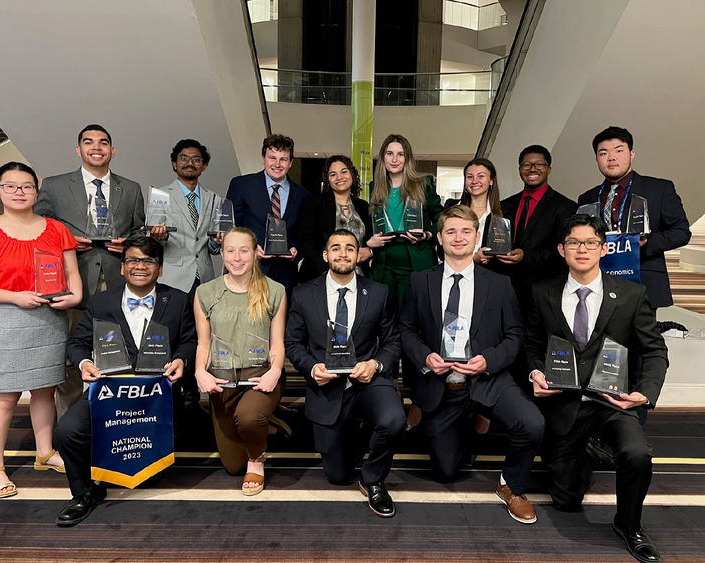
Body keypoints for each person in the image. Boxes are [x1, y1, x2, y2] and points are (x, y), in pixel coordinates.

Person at [525, 214, 667, 563]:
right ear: (562, 249)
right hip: (564, 402)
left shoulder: (632, 295)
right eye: (574, 242)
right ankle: (586, 452)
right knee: (566, 499)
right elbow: (531, 342)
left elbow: (654, 350)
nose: (582, 249)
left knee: (637, 454)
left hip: (611, 401)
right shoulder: (543, 292)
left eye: (590, 242)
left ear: (604, 249)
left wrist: (644, 393)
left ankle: (629, 525)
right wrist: (535, 372)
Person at [399, 205, 544, 524]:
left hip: (488, 379)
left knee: (532, 423)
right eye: (450, 231)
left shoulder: (499, 284)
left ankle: (512, 486)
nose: (458, 237)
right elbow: (406, 330)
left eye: (466, 231)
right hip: (442, 384)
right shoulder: (420, 281)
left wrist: (488, 360)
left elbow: (515, 334)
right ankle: (459, 424)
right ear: (439, 238)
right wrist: (425, 356)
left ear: (477, 237)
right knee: (446, 472)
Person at [0, 162, 83, 499]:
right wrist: (14, 297)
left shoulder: (57, 230)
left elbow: (72, 274)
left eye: (27, 186)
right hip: (10, 319)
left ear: (36, 191)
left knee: (45, 389)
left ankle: (44, 452)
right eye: (11, 186)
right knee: (5, 395)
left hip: (50, 317)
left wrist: (75, 296)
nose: (19, 192)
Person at [55, 236, 195, 526]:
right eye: (132, 260)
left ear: (160, 269)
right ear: (122, 267)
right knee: (68, 430)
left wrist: (182, 359)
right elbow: (77, 343)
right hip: (110, 390)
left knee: (149, 476)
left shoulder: (179, 300)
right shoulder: (101, 301)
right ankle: (84, 492)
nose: (139, 266)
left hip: (157, 393)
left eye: (148, 261)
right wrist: (84, 363)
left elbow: (190, 341)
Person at [286, 229, 405, 518]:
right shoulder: (303, 294)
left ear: (358, 255)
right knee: (338, 475)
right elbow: (292, 343)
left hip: (367, 380)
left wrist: (375, 364)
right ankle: (354, 435)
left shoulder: (378, 292)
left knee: (394, 420)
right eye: (336, 248)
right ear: (326, 255)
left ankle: (373, 478)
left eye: (350, 248)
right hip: (327, 385)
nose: (343, 253)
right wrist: (312, 368)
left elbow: (392, 342)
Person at [34, 124, 146, 416]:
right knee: (71, 355)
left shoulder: (131, 189)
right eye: (89, 142)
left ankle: (116, 419)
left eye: (103, 143)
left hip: (117, 285)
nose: (96, 147)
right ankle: (70, 424)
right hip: (72, 283)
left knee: (120, 353)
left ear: (112, 150)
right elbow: (37, 230)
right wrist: (64, 243)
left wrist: (130, 246)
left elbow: (139, 232)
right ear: (78, 149)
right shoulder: (54, 186)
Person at [194, 227, 287, 496]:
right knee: (233, 466)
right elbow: (204, 342)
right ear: (221, 254)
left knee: (247, 418)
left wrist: (276, 371)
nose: (237, 257)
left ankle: (257, 459)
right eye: (230, 250)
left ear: (256, 253)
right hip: (223, 380)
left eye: (244, 250)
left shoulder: (275, 290)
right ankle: (266, 424)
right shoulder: (205, 293)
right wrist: (201, 371)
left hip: (261, 376)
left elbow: (278, 343)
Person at [578, 125, 691, 311]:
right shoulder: (587, 198)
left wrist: (647, 243)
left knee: (642, 339)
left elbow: (681, 232)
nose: (611, 157)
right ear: (597, 159)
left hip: (643, 281)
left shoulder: (659, 189)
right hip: (598, 284)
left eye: (619, 150)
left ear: (631, 154)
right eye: (603, 153)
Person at [493, 144, 577, 316]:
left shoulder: (566, 207)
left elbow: (563, 253)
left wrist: (525, 257)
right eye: (526, 165)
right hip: (506, 292)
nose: (532, 169)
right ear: (519, 169)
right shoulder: (504, 206)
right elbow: (497, 243)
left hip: (544, 293)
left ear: (549, 169)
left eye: (539, 164)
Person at [226, 134, 309, 299]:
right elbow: (231, 227)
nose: (277, 164)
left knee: (281, 323)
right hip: (248, 270)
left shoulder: (303, 195)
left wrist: (296, 250)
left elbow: (303, 233)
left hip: (286, 275)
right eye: (272, 158)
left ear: (291, 163)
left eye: (283, 159)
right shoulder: (241, 185)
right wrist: (250, 248)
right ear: (263, 158)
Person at [367, 134, 443, 312]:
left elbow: (442, 219)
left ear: (407, 158)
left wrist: (427, 234)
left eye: (400, 154)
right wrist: (370, 243)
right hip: (384, 264)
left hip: (415, 262)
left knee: (412, 319)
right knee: (385, 319)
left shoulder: (423, 184)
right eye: (389, 153)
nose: (394, 159)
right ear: (383, 157)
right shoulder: (374, 187)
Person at [151, 139, 222, 297]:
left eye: (196, 159)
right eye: (184, 158)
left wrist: (216, 242)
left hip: (205, 279)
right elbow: (151, 241)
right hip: (171, 279)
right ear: (174, 164)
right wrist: (159, 237)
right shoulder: (160, 195)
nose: (190, 163)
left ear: (203, 167)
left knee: (203, 322)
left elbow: (214, 247)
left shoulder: (215, 199)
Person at [297, 155, 373, 283]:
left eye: (344, 171)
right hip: (321, 275)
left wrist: (370, 252)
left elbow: (371, 239)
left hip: (359, 276)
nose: (339, 177)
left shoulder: (363, 206)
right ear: (328, 180)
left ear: (352, 175)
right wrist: (327, 269)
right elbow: (306, 241)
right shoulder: (314, 203)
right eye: (333, 174)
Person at [457, 157, 505, 264]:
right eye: (470, 177)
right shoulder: (453, 209)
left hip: (491, 276)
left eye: (481, 176)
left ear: (491, 181)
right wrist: (473, 258)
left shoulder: (503, 214)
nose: (475, 181)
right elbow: (442, 250)